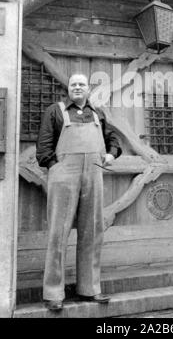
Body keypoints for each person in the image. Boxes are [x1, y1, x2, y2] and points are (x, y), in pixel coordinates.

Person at [36, 73, 122, 311]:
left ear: (87, 89)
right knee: (58, 232)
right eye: (73, 84)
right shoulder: (56, 110)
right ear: (68, 88)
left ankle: (89, 289)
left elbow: (112, 139)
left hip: (93, 173)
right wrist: (56, 166)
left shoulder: (97, 113)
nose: (77, 87)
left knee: (92, 230)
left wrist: (111, 154)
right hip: (63, 174)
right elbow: (43, 147)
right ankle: (53, 293)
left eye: (81, 84)